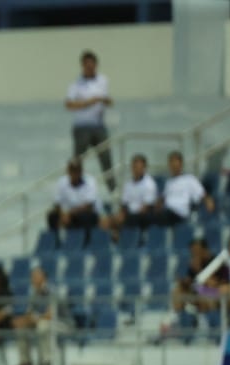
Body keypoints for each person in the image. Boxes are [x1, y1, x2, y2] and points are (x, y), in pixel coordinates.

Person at [65, 50, 115, 193]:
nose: (90, 68)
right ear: (83, 66)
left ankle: (112, 189)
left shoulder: (103, 80)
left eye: (92, 65)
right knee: (77, 161)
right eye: (87, 65)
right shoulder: (76, 84)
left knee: (106, 158)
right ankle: (74, 188)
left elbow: (108, 100)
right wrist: (88, 102)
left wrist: (103, 101)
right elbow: (69, 104)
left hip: (98, 125)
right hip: (82, 126)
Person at [101, 154, 158, 235]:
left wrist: (125, 217)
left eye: (139, 167)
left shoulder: (150, 184)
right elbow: (124, 204)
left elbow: (146, 207)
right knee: (105, 221)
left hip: (142, 215)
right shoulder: (128, 184)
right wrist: (121, 214)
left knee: (124, 221)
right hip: (129, 214)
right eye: (135, 167)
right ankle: (109, 243)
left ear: (144, 168)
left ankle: (120, 237)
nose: (136, 170)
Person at [157, 151, 215, 226]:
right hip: (167, 212)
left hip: (180, 213)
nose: (173, 166)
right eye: (171, 163)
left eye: (176, 163)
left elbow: (202, 194)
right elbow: (163, 199)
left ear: (181, 164)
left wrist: (208, 201)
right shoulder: (168, 182)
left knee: (160, 218)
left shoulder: (189, 179)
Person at [47, 158, 101, 233]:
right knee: (52, 216)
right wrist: (63, 215)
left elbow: (89, 206)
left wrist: (70, 214)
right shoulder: (62, 181)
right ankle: (56, 241)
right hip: (68, 214)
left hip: (84, 213)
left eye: (77, 170)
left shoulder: (90, 181)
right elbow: (57, 203)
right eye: (72, 170)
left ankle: (85, 240)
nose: (75, 173)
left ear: (81, 171)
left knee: (85, 217)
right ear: (68, 171)